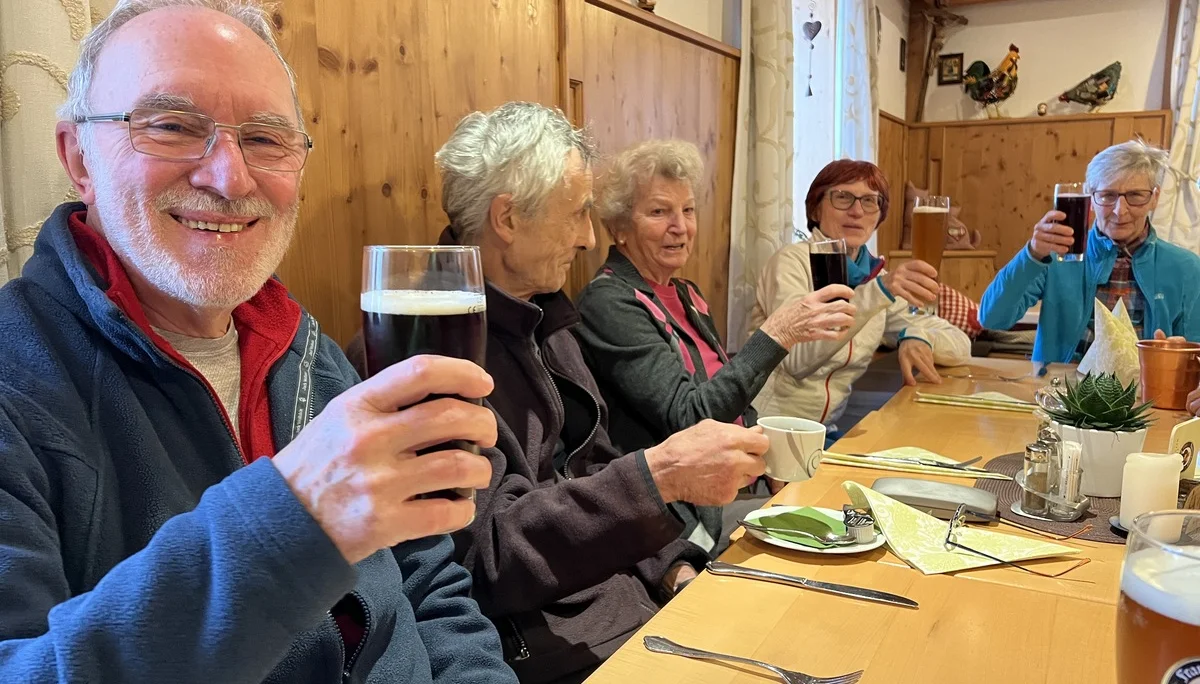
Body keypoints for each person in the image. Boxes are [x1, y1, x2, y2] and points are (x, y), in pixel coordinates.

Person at [0, 2, 515, 682]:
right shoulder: (17, 383)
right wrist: (293, 523)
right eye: (173, 126)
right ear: (79, 157)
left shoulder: (309, 352)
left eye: (266, 140)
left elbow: (431, 583)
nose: (230, 177)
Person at [435, 103, 770, 684]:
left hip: (629, 604)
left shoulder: (548, 321)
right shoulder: (430, 346)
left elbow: (596, 465)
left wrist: (675, 570)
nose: (590, 238)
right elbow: (488, 556)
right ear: (507, 219)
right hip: (549, 645)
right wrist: (660, 476)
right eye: (577, 215)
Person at [572, 140, 855, 553]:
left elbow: (732, 400)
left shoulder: (686, 293)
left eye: (687, 210)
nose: (680, 226)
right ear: (619, 228)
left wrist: (773, 462)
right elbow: (693, 416)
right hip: (679, 524)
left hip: (736, 487)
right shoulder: (610, 302)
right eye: (658, 211)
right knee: (835, 538)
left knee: (849, 513)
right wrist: (778, 332)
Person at [748, 160, 971, 437]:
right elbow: (798, 361)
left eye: (869, 201)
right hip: (764, 430)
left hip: (823, 433)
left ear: (879, 216)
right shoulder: (792, 263)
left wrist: (918, 335)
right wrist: (879, 292)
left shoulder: (875, 276)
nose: (856, 211)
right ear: (816, 208)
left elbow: (961, 345)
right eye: (842, 197)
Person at [979, 139, 1200, 363]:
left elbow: (1195, 354)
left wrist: (1182, 357)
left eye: (1135, 196)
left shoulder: (1186, 267)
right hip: (1062, 392)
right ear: (1091, 199)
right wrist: (1032, 255)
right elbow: (992, 318)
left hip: (1145, 394)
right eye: (1108, 195)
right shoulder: (1056, 255)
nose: (1120, 211)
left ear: (1154, 198)